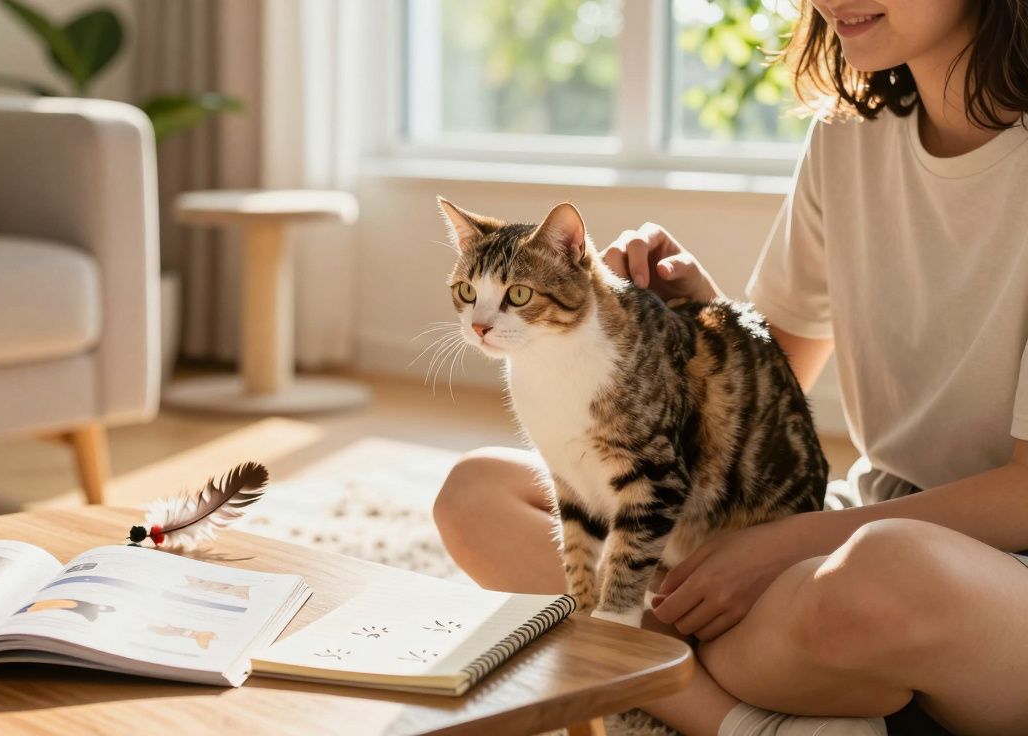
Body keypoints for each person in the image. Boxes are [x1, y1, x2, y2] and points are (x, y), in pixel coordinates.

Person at [432, 1, 1028, 733]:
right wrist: (692, 328)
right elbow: (773, 394)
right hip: (854, 526)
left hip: (984, 577)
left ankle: (687, 684)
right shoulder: (848, 138)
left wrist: (777, 548)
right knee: (476, 495)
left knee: (883, 575)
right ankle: (757, 722)